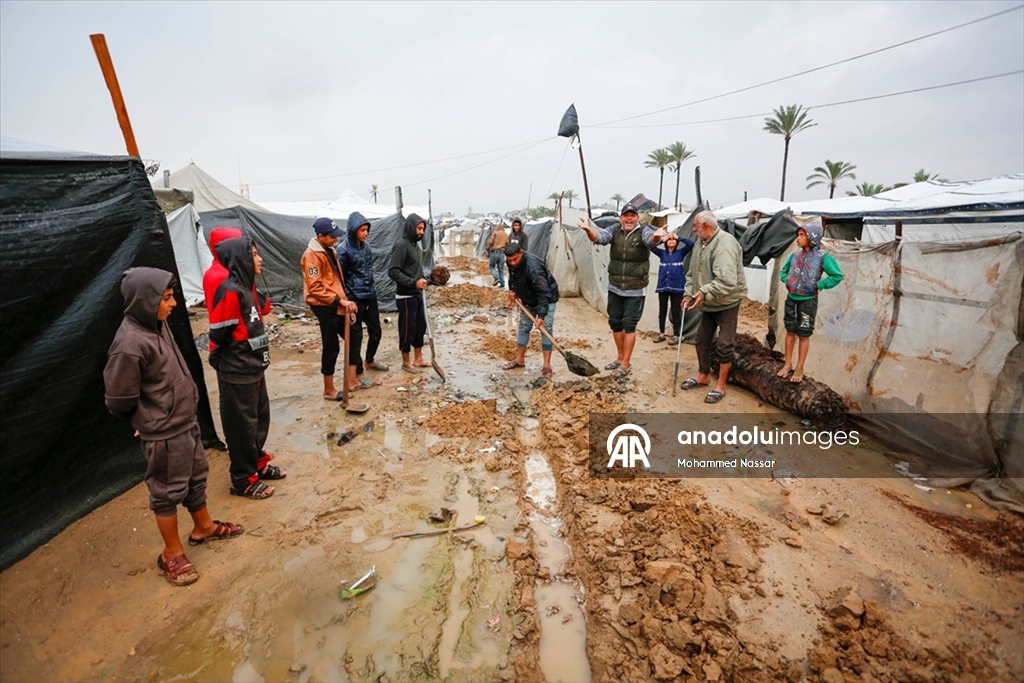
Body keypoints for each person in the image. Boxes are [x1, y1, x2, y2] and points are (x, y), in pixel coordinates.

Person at [105, 268, 244, 586]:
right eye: (166, 299)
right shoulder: (129, 344)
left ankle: (203, 527)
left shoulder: (157, 324)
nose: (174, 304)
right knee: (166, 491)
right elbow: (118, 399)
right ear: (144, 301)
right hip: (164, 431)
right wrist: (145, 419)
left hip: (184, 422)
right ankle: (171, 553)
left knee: (196, 477)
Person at [208, 234, 286, 498]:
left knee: (258, 420)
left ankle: (258, 464)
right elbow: (218, 333)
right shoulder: (229, 292)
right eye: (254, 254)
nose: (260, 258)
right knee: (241, 427)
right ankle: (243, 480)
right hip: (238, 370)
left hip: (254, 367)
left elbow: (264, 308)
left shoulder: (246, 287)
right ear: (241, 258)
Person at [577, 202, 662, 378]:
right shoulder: (614, 230)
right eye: (626, 215)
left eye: (632, 215)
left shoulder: (643, 231)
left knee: (629, 326)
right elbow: (599, 238)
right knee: (615, 323)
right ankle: (620, 357)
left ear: (637, 218)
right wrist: (588, 230)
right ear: (621, 218)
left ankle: (626, 363)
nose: (629, 218)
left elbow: (651, 241)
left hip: (635, 289)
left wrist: (656, 237)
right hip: (615, 287)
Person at [680, 210, 748, 404]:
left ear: (705, 227)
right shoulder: (700, 244)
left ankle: (721, 385)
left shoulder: (724, 244)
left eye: (695, 226)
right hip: (709, 301)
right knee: (701, 340)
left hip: (727, 301)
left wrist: (702, 293)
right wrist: (688, 293)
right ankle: (703, 375)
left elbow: (727, 281)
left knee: (725, 344)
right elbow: (692, 273)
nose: (693, 229)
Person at [776, 223, 844, 383]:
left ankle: (799, 367)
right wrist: (787, 280)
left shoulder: (823, 257)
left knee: (804, 334)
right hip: (791, 299)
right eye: (798, 235)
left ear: (812, 237)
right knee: (790, 331)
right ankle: (787, 364)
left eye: (802, 235)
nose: (798, 239)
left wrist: (819, 285)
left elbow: (837, 275)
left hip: (808, 302)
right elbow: (783, 271)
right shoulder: (794, 256)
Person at [302, 217, 360, 399]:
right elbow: (315, 288)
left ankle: (351, 379)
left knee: (355, 335)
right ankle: (329, 390)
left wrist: (345, 301)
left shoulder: (330, 251)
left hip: (337, 302)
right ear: (320, 236)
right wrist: (339, 302)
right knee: (331, 345)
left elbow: (337, 281)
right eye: (332, 236)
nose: (336, 239)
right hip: (323, 304)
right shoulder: (311, 256)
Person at [337, 212, 389, 386]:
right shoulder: (343, 250)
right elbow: (340, 277)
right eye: (362, 230)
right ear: (353, 231)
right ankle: (358, 372)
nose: (365, 233)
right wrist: (346, 299)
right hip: (355, 298)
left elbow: (369, 271)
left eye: (367, 230)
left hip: (370, 295)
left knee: (376, 331)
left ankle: (370, 360)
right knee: (356, 336)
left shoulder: (366, 247)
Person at [502, 242, 559, 376]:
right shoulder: (511, 262)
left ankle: (546, 366)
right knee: (523, 327)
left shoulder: (533, 268)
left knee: (546, 330)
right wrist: (513, 291)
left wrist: (541, 316)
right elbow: (513, 276)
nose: (513, 263)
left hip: (546, 298)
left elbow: (544, 293)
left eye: (515, 259)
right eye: (510, 260)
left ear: (521, 253)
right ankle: (519, 360)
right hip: (527, 298)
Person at [388, 213, 431, 373]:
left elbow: (413, 269)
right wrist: (413, 283)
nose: (421, 232)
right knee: (407, 329)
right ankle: (406, 362)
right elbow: (393, 271)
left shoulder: (413, 245)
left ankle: (418, 359)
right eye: (419, 228)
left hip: (417, 294)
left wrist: (422, 279)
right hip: (406, 296)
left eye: (423, 229)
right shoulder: (402, 246)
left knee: (420, 326)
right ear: (411, 227)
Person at [650, 231, 694, 344]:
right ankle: (661, 334)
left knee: (675, 311)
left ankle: (676, 335)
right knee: (662, 310)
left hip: (677, 286)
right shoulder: (662, 253)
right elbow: (650, 246)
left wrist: (678, 237)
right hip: (663, 286)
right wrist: (661, 239)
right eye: (669, 240)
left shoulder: (680, 253)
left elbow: (691, 244)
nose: (671, 241)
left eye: (673, 240)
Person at [484, 222, 509, 287]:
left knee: (491, 266)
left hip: (494, 252)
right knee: (501, 269)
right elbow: (507, 243)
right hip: (502, 253)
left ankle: (496, 278)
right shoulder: (506, 234)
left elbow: (490, 242)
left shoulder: (495, 233)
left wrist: (487, 249)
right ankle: (502, 284)